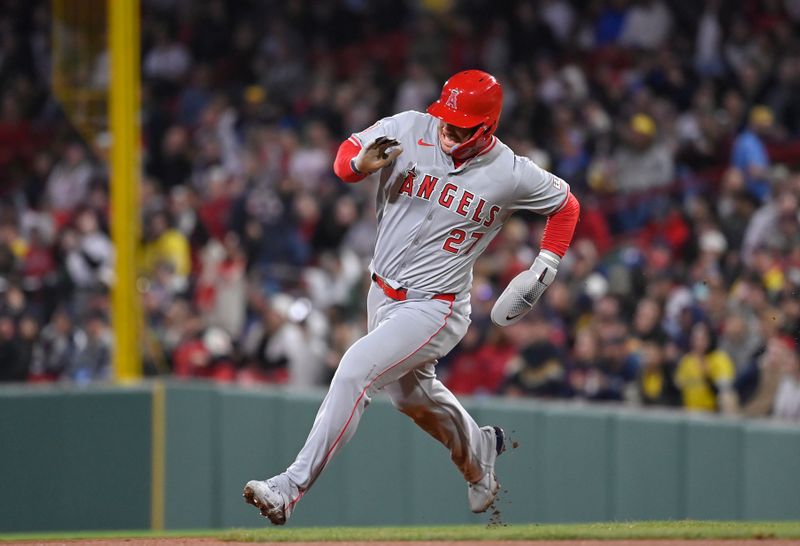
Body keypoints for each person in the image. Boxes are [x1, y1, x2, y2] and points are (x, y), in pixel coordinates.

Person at [243, 70, 580, 525]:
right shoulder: (407, 128)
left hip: (435, 305)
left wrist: (546, 265)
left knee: (355, 371)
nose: (448, 128)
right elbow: (344, 158)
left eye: (462, 124)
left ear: (487, 128)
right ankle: (478, 452)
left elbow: (566, 205)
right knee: (411, 398)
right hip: (380, 291)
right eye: (446, 117)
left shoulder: (510, 172)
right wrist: (360, 166)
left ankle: (288, 488)